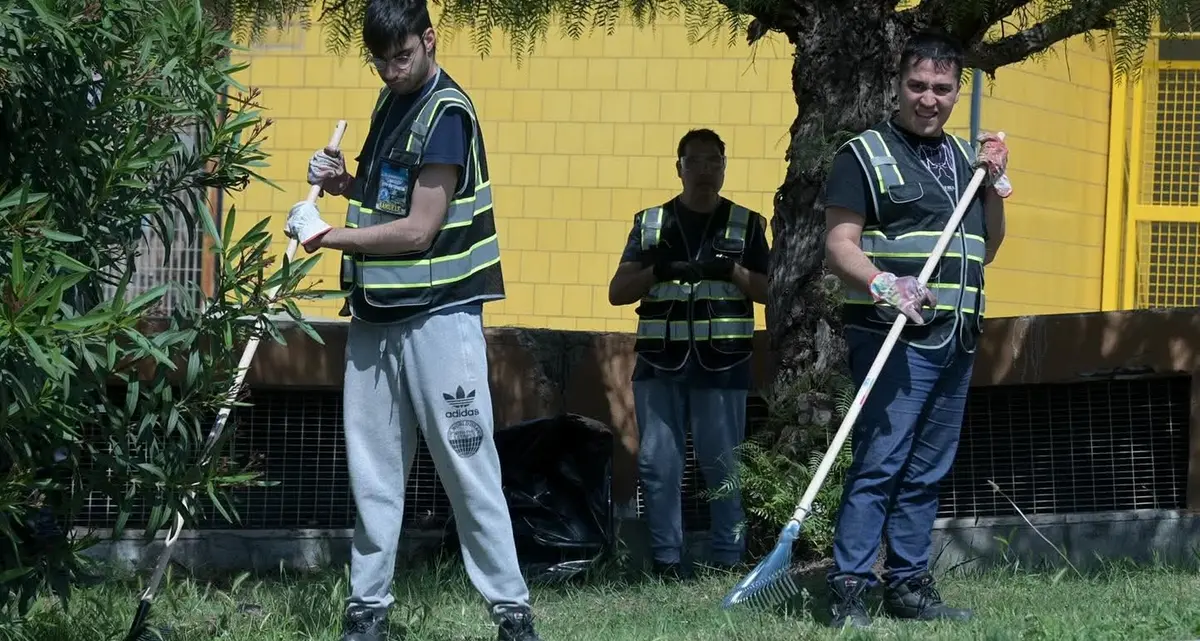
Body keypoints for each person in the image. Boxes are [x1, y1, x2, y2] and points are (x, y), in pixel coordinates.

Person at [281, 0, 542, 639]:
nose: (393, 70)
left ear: (429, 40)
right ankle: (367, 614)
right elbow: (385, 191)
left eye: (403, 56)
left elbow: (421, 229)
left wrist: (325, 237)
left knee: (465, 463)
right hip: (376, 313)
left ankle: (512, 613)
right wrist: (342, 180)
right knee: (372, 470)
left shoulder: (448, 114)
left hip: (440, 317)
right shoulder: (390, 102)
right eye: (381, 60)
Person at [820, 31, 1010, 629]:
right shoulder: (865, 154)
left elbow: (987, 244)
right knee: (881, 460)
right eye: (917, 86)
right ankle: (849, 585)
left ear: (957, 93)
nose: (929, 99)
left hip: (956, 336)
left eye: (942, 88)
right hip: (892, 337)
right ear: (898, 86)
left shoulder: (963, 160)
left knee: (928, 468)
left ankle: (908, 586)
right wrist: (883, 285)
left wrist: (996, 184)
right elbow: (837, 243)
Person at [607, 128, 770, 580]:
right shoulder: (650, 223)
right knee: (659, 466)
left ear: (724, 166)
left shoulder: (746, 223)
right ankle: (666, 562)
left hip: (723, 364)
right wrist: (656, 269)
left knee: (725, 467)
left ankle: (728, 560)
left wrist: (733, 271)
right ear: (678, 167)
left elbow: (770, 292)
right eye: (694, 161)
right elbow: (617, 292)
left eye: (713, 161)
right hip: (660, 362)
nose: (704, 171)